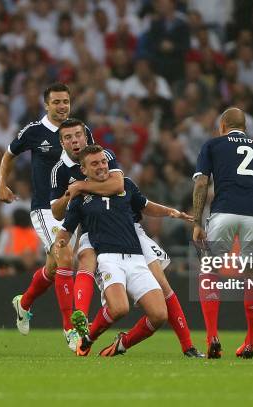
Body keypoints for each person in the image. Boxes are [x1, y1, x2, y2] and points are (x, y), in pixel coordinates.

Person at [51, 120, 203, 357]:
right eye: (95, 164)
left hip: (135, 252)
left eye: (103, 162)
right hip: (108, 256)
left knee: (159, 312)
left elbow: (145, 205)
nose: (102, 166)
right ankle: (85, 330)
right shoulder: (79, 196)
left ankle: (122, 344)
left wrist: (170, 212)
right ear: (84, 169)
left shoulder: (123, 184)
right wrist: (60, 241)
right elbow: (65, 225)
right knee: (117, 305)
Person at [0, 83, 92, 351]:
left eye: (66, 101)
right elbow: (8, 155)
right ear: (46, 105)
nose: (62, 106)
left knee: (54, 268)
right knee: (65, 257)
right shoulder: (34, 132)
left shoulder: (80, 132)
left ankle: (24, 303)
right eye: (57, 102)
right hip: (45, 208)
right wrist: (1, 183)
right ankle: (69, 330)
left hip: (74, 207)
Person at [192, 107, 253, 359]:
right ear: (245, 127)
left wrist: (196, 221)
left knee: (210, 269)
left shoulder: (213, 145)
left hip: (224, 211)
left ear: (223, 125)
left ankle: (212, 336)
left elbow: (202, 182)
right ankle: (252, 342)